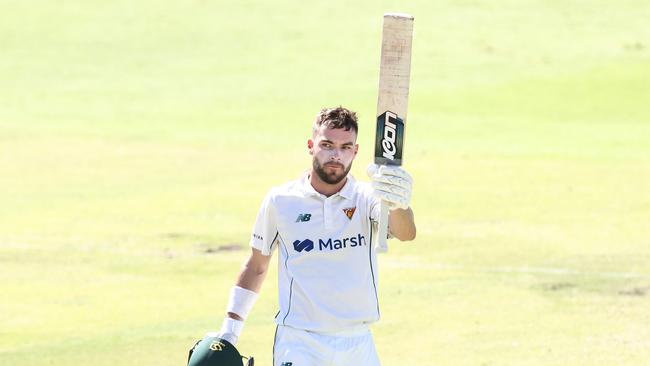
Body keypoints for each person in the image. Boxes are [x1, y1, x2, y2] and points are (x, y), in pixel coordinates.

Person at [216, 106, 416, 366]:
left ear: (355, 151)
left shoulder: (368, 197)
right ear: (311, 146)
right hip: (300, 343)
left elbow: (406, 233)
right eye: (327, 144)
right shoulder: (281, 201)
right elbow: (256, 266)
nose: (336, 155)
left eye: (346, 147)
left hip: (357, 343)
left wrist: (398, 203)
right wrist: (230, 332)